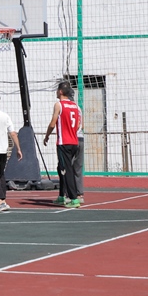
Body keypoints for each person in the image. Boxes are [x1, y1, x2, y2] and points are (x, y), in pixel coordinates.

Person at [43, 80, 83, 208]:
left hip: (63, 142)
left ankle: (73, 198)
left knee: (67, 170)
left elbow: (53, 122)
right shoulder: (75, 106)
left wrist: (47, 135)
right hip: (74, 141)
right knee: (61, 168)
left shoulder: (59, 105)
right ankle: (61, 196)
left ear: (60, 91)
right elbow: (78, 125)